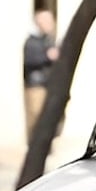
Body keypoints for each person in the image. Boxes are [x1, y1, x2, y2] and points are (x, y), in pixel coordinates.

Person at [23, 10, 59, 142]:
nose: (51, 24)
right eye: (47, 21)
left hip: (48, 84)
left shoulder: (48, 40)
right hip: (36, 85)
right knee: (36, 116)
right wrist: (47, 56)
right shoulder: (32, 41)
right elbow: (29, 60)